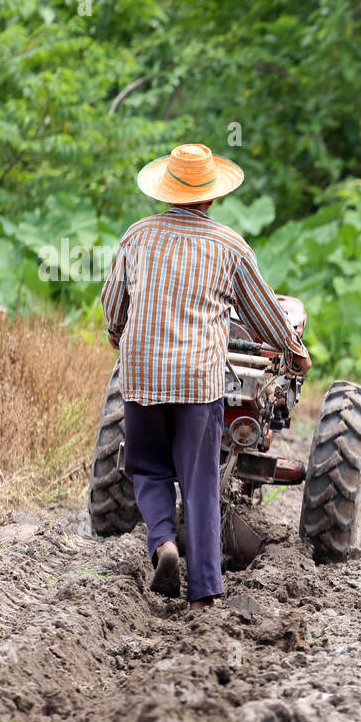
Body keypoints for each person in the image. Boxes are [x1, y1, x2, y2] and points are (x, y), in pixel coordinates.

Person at [100, 143, 311, 609]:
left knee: (149, 469)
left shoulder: (136, 237)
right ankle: (204, 593)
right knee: (199, 482)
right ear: (213, 196)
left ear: (166, 192)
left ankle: (163, 545)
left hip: (141, 374)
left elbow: (114, 305)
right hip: (197, 380)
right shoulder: (229, 245)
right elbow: (264, 317)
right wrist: (295, 353)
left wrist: (119, 334)